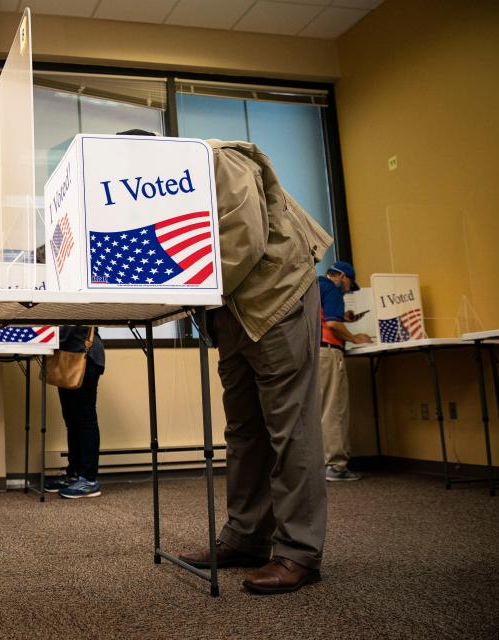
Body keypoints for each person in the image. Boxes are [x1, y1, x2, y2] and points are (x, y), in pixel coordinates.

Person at [179, 140, 333, 595]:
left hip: (276, 296)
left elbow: (244, 237)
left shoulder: (218, 157)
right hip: (233, 309)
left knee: (291, 427)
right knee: (244, 430)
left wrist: (180, 290)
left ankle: (298, 551)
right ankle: (246, 537)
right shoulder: (159, 190)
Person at [319, 260, 372, 482]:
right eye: (350, 284)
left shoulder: (315, 285)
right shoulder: (333, 290)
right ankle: (336, 466)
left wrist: (343, 317)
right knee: (335, 408)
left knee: (319, 410)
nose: (349, 289)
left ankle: (321, 464)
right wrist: (354, 337)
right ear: (342, 277)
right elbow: (331, 325)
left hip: (312, 354)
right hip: (330, 353)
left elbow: (323, 318)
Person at [44, 326, 105, 499]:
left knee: (85, 420)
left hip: (84, 357)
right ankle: (75, 474)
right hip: (69, 358)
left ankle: (88, 480)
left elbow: (68, 327)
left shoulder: (75, 298)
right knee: (72, 420)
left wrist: (39, 339)